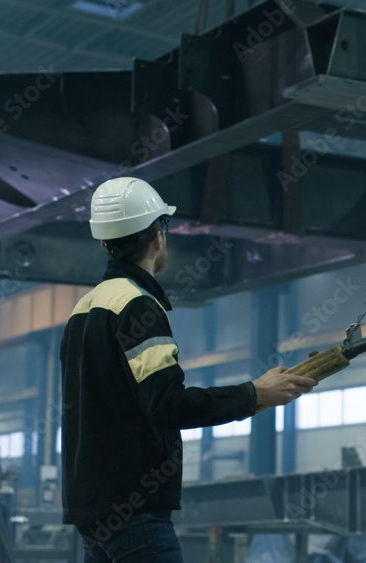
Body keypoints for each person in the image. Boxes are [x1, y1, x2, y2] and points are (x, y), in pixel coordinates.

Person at [60, 177, 318, 562]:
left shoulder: (82, 311)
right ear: (158, 236)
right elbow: (167, 404)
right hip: (135, 511)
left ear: (104, 242)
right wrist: (255, 394)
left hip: (92, 513)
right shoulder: (137, 306)